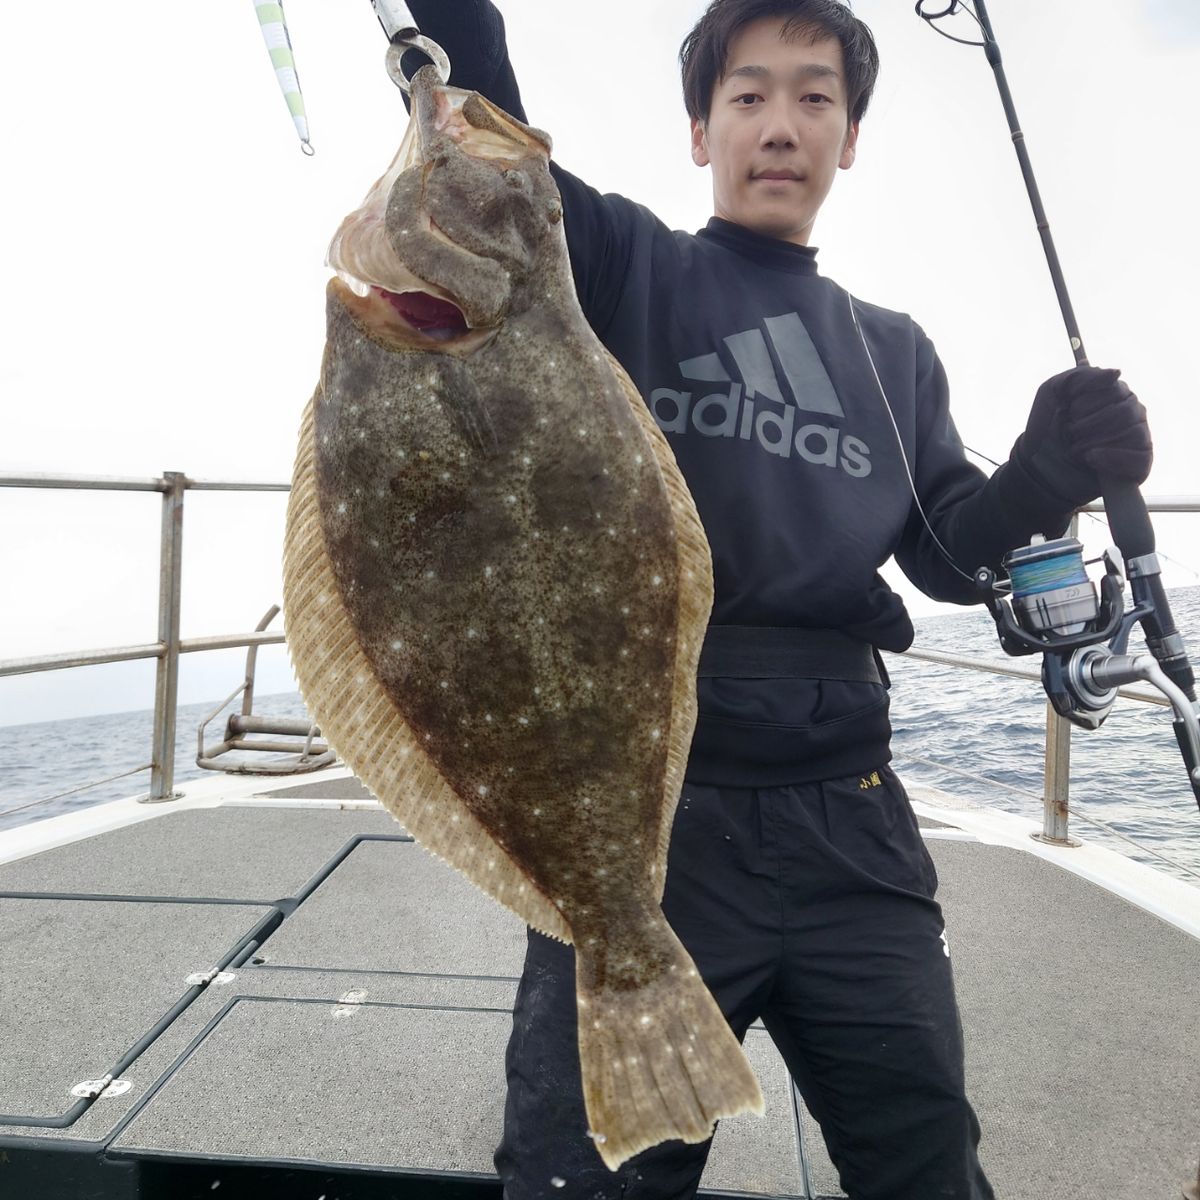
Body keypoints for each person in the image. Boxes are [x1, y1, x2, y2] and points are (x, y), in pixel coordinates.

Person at [399, 3, 1153, 1198]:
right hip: (643, 812)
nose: (781, 125)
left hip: (851, 819)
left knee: (925, 1165)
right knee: (584, 1176)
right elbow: (499, 167)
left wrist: (1045, 475)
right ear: (700, 132)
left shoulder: (890, 349)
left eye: (816, 97)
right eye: (747, 97)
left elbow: (949, 554)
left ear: (849, 138)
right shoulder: (625, 267)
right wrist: (459, 32)